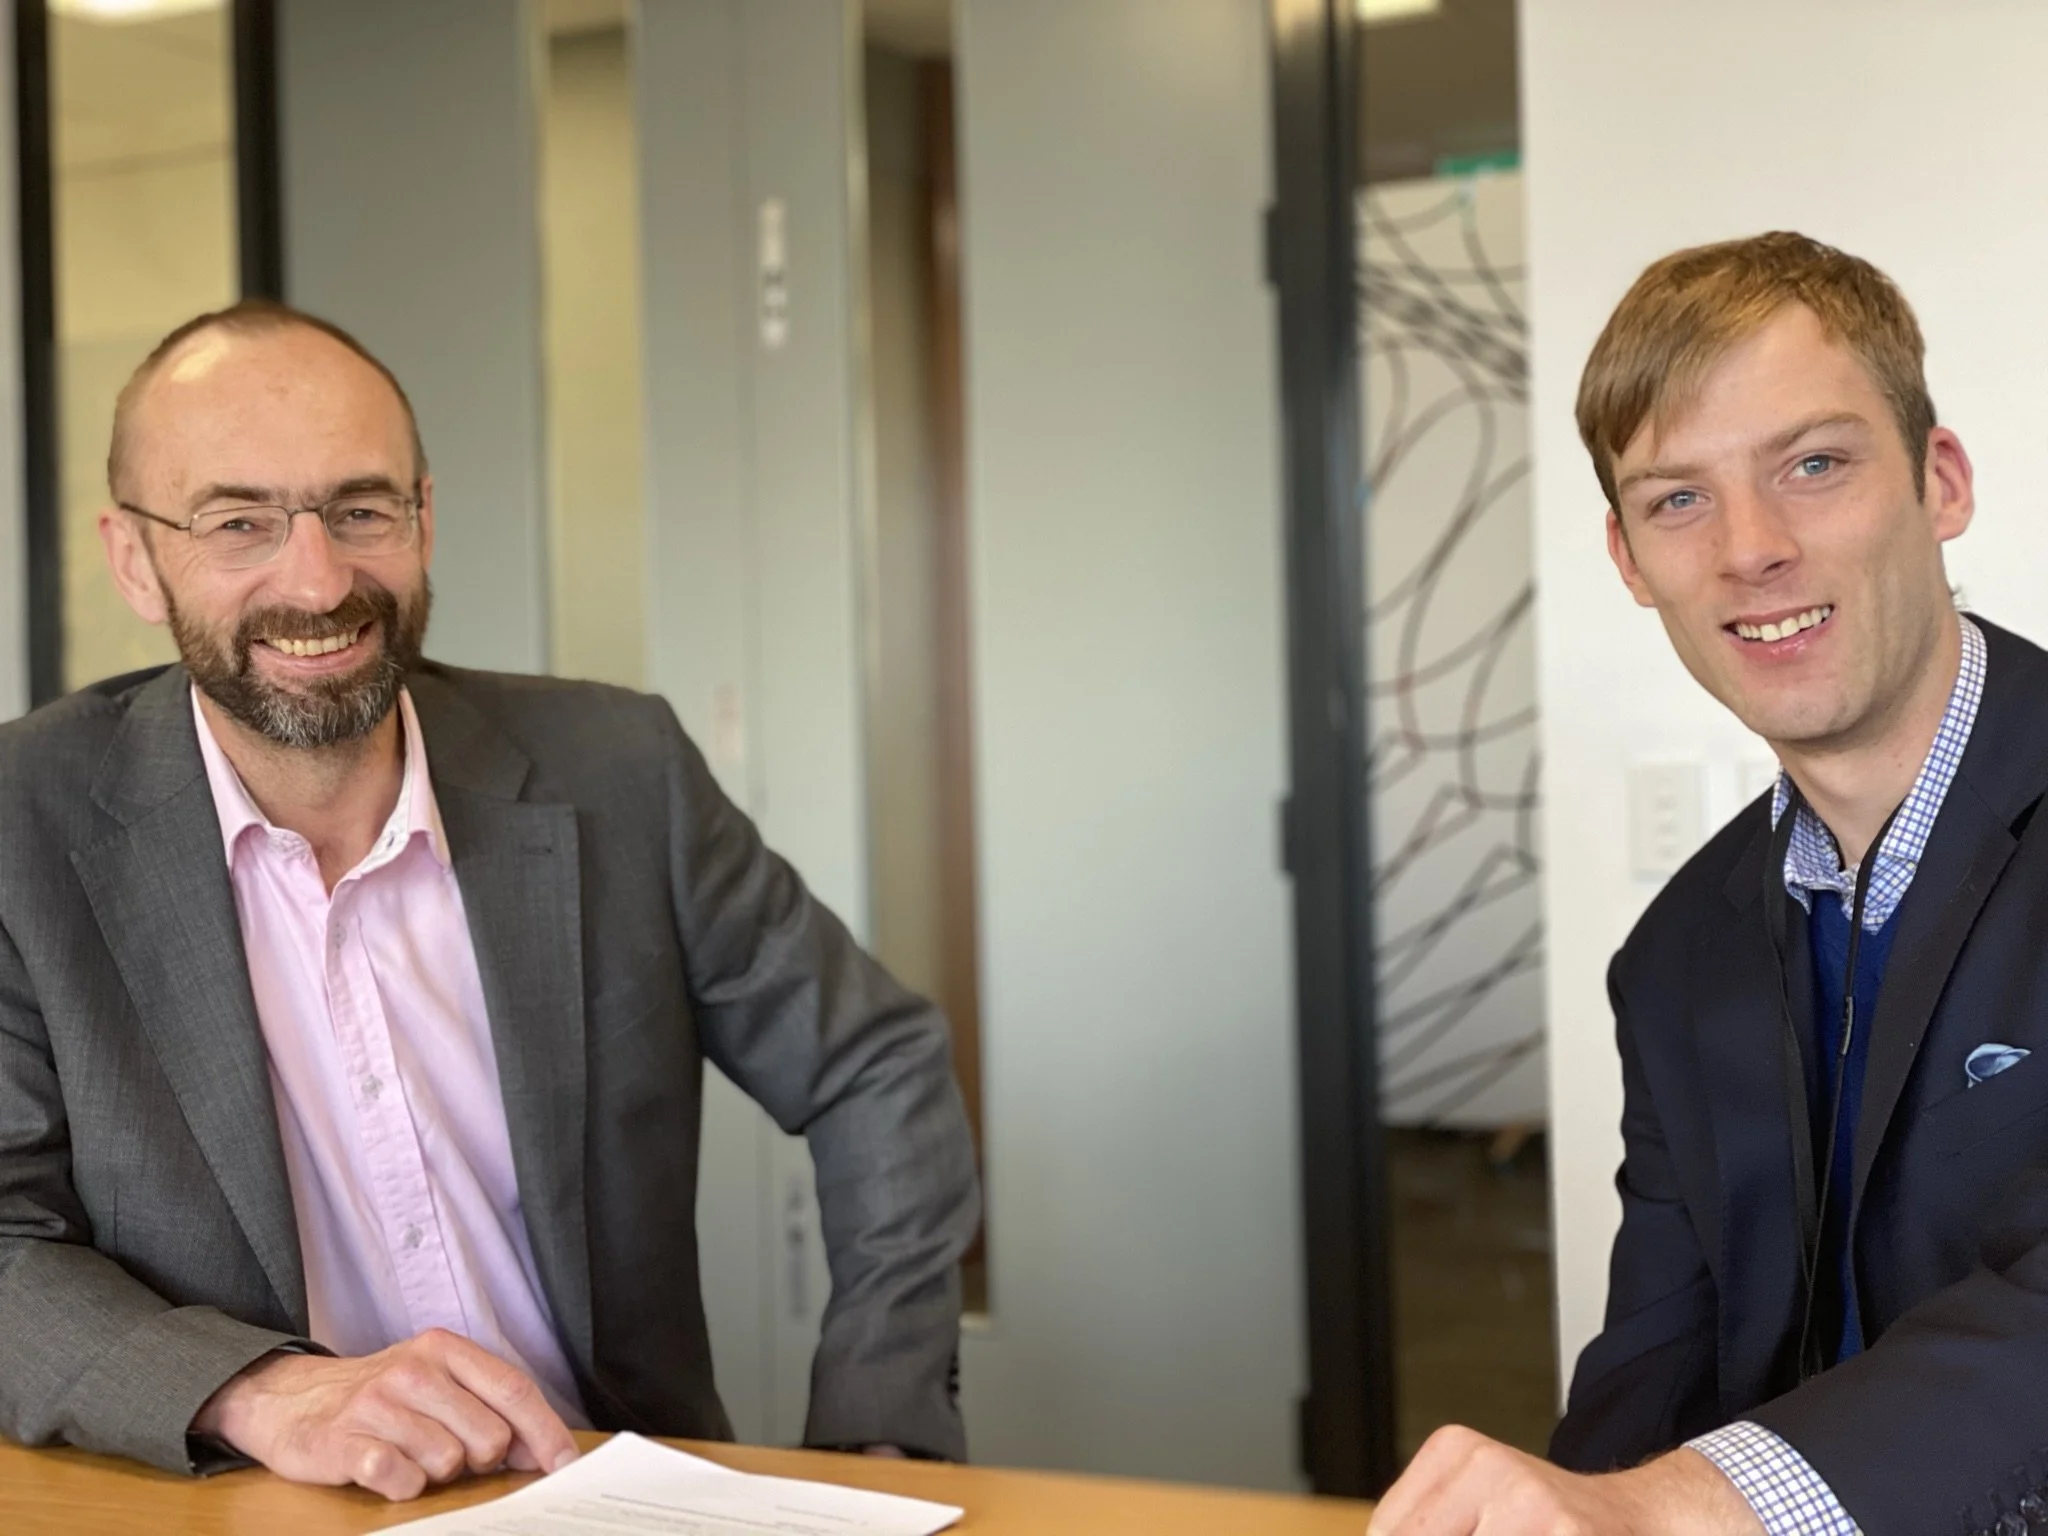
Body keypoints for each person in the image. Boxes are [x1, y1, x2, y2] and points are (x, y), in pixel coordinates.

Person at [0, 300, 980, 1502]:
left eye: (361, 511)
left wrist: (875, 1430)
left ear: (423, 518)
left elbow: (873, 1064)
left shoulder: (620, 773)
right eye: (237, 521)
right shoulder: (20, 828)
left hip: (618, 1494)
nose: (317, 580)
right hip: (250, 1503)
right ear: (134, 559)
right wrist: (256, 1390)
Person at [1371, 233, 2048, 1536]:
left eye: (1813, 464)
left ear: (1940, 479)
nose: (1751, 550)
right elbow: (1653, 1369)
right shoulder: (1679, 955)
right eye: (1678, 499)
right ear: (1629, 561)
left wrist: (1682, 1512)